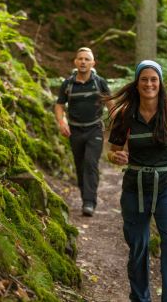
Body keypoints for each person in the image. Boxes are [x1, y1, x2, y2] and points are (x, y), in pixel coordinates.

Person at [106, 60, 167, 302]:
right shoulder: (124, 115)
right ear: (137, 83)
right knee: (138, 246)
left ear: (160, 84)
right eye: (144, 79)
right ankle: (140, 298)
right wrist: (115, 157)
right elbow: (112, 151)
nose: (149, 84)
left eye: (154, 79)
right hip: (135, 187)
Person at [55, 47, 111, 217]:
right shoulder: (68, 84)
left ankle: (89, 202)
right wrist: (61, 121)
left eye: (87, 59)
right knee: (80, 166)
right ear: (75, 62)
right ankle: (85, 197)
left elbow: (110, 104)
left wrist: (118, 123)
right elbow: (59, 105)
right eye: (80, 59)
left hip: (94, 128)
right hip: (75, 131)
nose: (83, 62)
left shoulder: (99, 82)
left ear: (93, 63)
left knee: (90, 163)